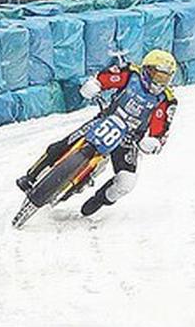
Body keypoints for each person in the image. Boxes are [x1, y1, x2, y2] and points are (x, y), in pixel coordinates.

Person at [16, 50, 179, 218]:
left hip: (129, 140)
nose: (160, 82)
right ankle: (32, 175)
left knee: (126, 182)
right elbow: (105, 78)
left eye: (165, 78)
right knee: (63, 144)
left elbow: (161, 130)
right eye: (158, 76)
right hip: (105, 121)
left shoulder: (166, 100)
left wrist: (154, 142)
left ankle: (99, 199)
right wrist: (95, 85)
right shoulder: (131, 74)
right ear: (147, 69)